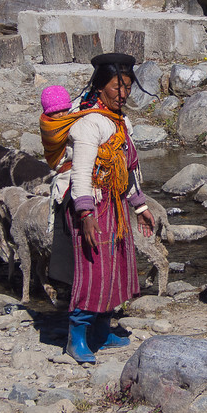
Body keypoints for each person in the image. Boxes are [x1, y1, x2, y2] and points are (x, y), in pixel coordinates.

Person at [40, 52, 155, 363]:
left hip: (114, 205)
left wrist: (140, 206)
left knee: (115, 266)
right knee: (92, 270)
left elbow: (127, 168)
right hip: (91, 204)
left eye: (128, 87)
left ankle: (102, 332)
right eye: (117, 88)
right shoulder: (90, 123)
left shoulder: (120, 121)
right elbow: (80, 170)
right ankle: (76, 337)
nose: (123, 94)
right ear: (101, 87)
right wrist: (86, 214)